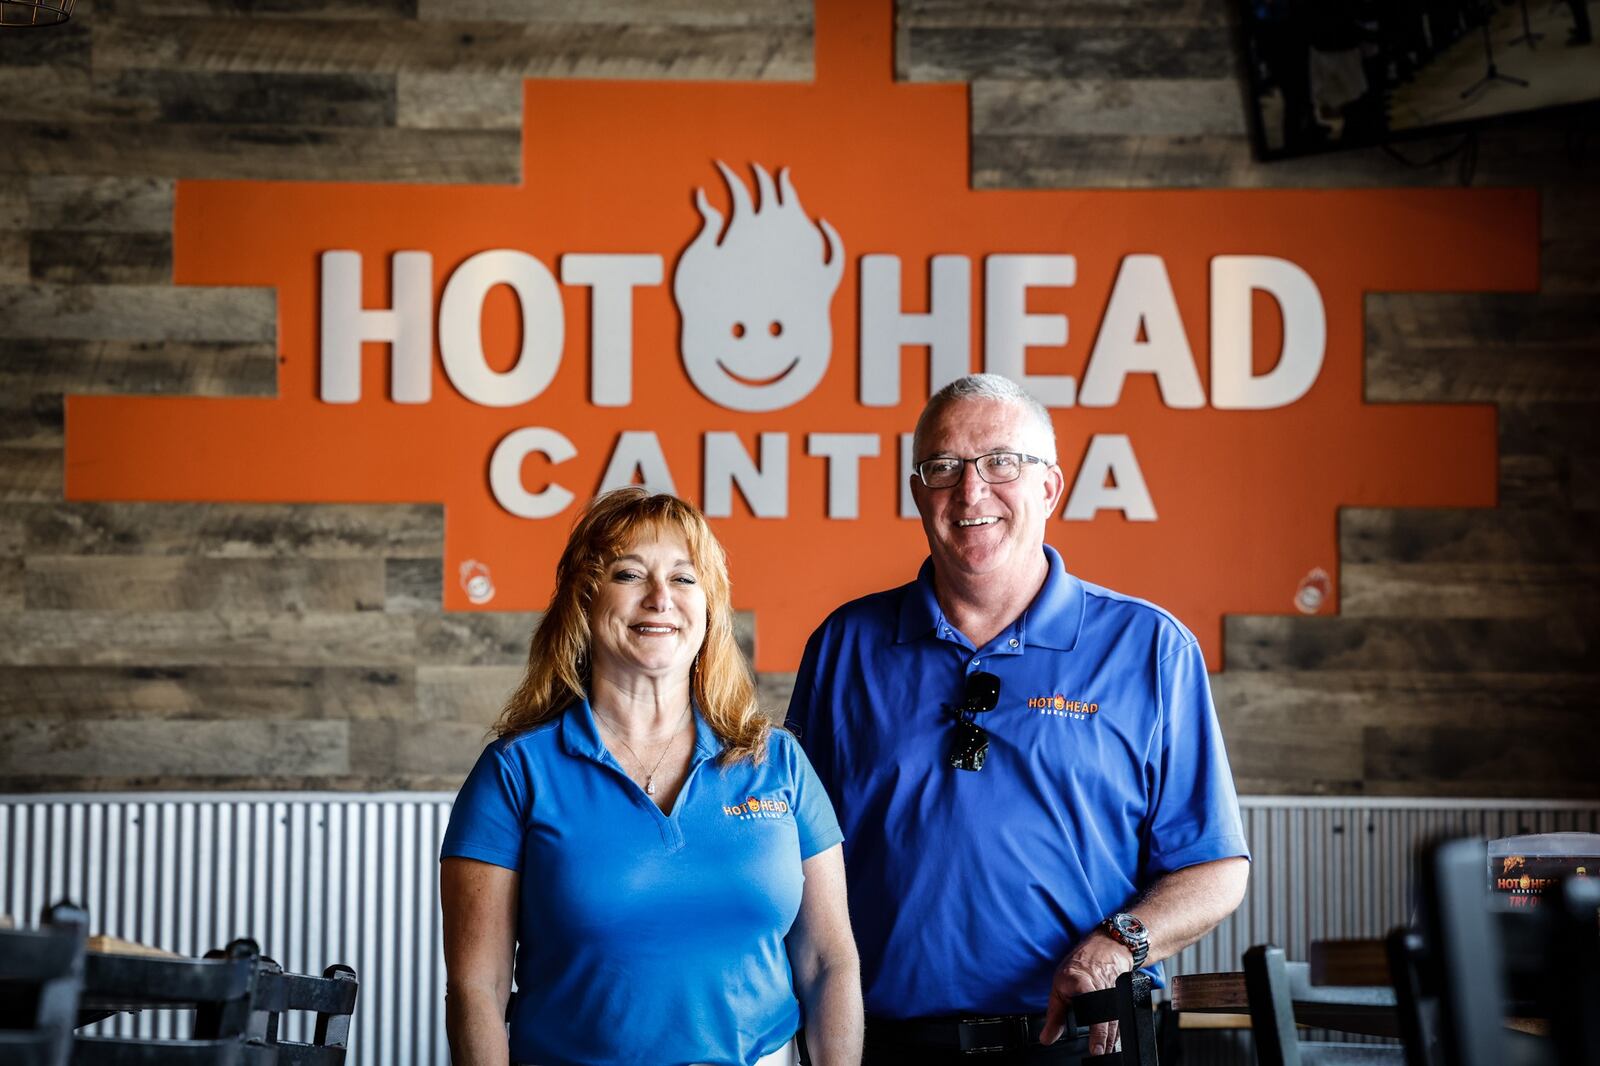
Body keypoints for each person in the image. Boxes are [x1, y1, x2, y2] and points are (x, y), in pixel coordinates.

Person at [787, 375, 1250, 1064]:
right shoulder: (845, 645)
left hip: (1083, 1043)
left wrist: (1120, 941)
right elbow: (791, 852)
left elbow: (1214, 868)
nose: (971, 492)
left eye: (1001, 462)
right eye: (944, 467)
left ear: (1049, 488)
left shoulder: (1149, 648)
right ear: (919, 493)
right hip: (886, 1046)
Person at [441, 488, 863, 1066]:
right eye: (630, 575)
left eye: (685, 579)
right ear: (585, 602)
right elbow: (477, 990)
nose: (661, 598)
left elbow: (827, 963)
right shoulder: (515, 774)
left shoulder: (779, 764)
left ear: (709, 607)